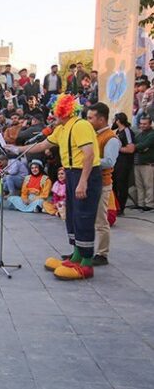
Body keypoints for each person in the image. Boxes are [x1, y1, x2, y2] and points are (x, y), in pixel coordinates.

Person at [10, 94, 102, 280]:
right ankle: (76, 256)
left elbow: (89, 155)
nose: (53, 116)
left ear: (64, 111)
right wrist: (17, 149)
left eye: (56, 112)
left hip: (84, 174)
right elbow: (44, 144)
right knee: (73, 215)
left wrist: (83, 181)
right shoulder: (63, 128)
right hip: (70, 173)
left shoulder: (81, 125)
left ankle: (86, 264)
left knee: (83, 215)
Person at [87, 103, 118, 266]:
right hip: (90, 182)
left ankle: (102, 253)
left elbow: (109, 161)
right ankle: (84, 251)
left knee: (100, 220)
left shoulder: (111, 138)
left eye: (90, 118)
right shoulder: (93, 134)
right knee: (86, 219)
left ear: (101, 119)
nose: (88, 121)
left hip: (102, 183)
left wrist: (87, 160)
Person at [133, 115, 154, 211]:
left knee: (148, 185)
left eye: (145, 124)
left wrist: (138, 147)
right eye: (141, 124)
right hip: (138, 163)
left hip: (148, 164)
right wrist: (140, 148)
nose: (142, 126)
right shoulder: (139, 135)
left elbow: (144, 145)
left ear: (150, 124)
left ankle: (149, 204)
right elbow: (138, 146)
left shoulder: (152, 134)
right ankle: (140, 203)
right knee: (139, 185)